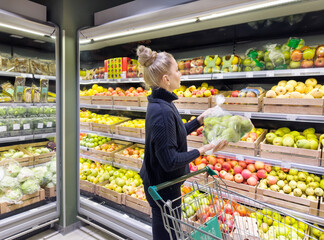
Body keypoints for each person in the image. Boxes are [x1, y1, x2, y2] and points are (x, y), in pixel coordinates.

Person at [137, 45, 228, 240]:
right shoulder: (162, 112)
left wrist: (198, 120)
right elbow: (170, 160)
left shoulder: (163, 104)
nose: (181, 74)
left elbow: (173, 136)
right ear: (166, 79)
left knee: (169, 231)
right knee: (167, 234)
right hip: (163, 188)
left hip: (163, 185)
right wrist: (202, 149)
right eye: (177, 70)